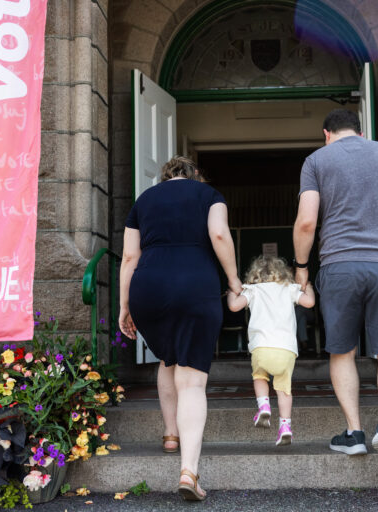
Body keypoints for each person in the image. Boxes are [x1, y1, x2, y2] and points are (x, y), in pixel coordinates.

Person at [292, 109, 378, 474]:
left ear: (326, 133)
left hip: (339, 266)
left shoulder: (316, 160)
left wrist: (302, 267)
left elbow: (306, 221)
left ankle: (354, 433)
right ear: (361, 131)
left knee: (342, 350)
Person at [119, 156, 242, 501]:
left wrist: (125, 306)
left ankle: (170, 433)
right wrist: (234, 281)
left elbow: (130, 257)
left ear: (165, 177)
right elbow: (218, 233)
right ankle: (188, 470)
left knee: (168, 358)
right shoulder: (209, 195)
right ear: (195, 176)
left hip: (148, 288)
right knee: (191, 379)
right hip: (195, 286)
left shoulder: (144, 200)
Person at [227, 256, 316, 446]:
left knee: (260, 376)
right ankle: (285, 426)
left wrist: (231, 292)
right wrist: (307, 286)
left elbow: (234, 306)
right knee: (284, 389)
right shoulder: (289, 289)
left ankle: (264, 406)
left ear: (255, 275)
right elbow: (309, 303)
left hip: (261, 347)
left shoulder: (253, 290)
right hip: (286, 350)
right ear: (283, 273)